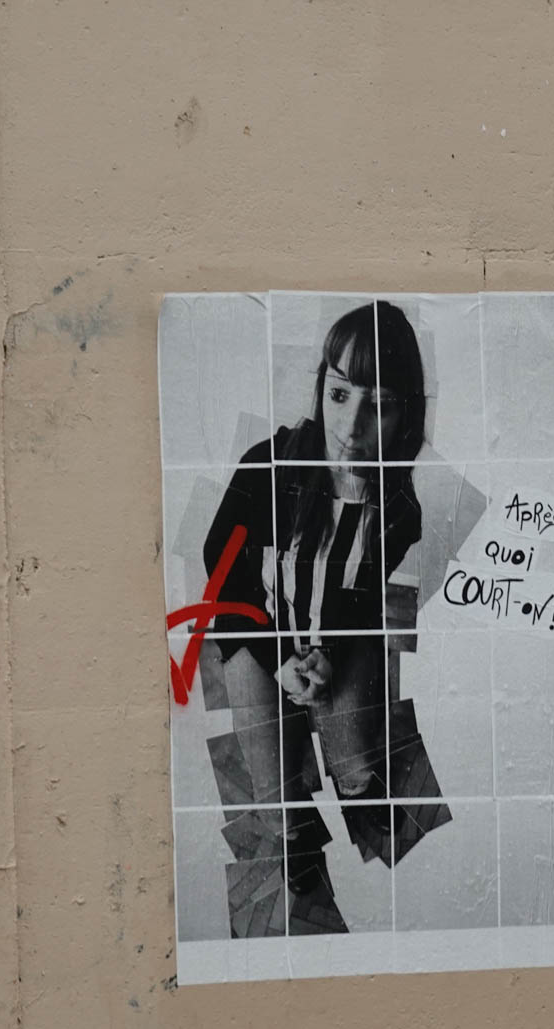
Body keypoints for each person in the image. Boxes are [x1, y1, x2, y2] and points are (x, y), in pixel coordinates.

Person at [196, 300, 448, 937]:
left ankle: (365, 812)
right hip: (257, 633)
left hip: (329, 636)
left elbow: (362, 593)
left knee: (358, 762)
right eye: (339, 395)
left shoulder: (398, 507)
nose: (351, 426)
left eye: (377, 407)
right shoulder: (269, 464)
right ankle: (296, 843)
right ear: (322, 388)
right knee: (270, 785)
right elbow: (219, 568)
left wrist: (329, 651)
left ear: (405, 416)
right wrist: (278, 657)